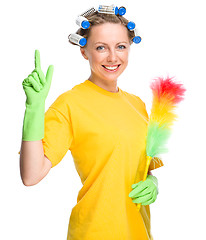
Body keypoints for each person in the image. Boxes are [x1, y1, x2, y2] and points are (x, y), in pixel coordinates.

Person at [19, 5, 163, 240]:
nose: (113, 57)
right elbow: (31, 175)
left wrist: (153, 181)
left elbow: (142, 167)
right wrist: (33, 109)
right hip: (93, 232)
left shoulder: (138, 105)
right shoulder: (70, 103)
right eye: (100, 48)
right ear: (84, 51)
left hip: (139, 232)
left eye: (121, 47)